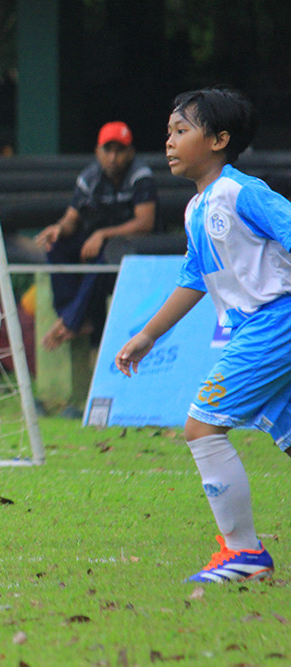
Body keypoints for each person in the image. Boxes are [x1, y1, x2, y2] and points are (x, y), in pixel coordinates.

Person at [115, 86, 285, 583]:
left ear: (219, 140)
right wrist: (148, 335)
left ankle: (245, 554)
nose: (168, 142)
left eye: (181, 131)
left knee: (201, 425)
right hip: (258, 328)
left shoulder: (240, 192)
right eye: (169, 132)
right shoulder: (196, 211)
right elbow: (193, 278)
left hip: (276, 321)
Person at [35, 121, 157, 351]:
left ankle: (70, 322)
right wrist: (58, 229)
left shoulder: (140, 176)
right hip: (95, 245)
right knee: (57, 245)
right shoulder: (89, 177)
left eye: (119, 150)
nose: (113, 157)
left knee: (103, 256)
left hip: (131, 251)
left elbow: (145, 223)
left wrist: (102, 234)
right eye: (107, 150)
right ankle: (70, 316)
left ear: (130, 152)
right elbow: (71, 219)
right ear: (97, 152)